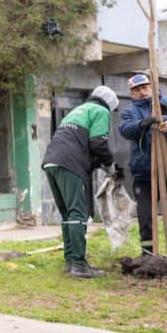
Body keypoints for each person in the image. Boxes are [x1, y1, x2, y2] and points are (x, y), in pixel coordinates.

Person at [40, 86, 119, 279]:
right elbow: (98, 142)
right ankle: (79, 265)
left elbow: (80, 141)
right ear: (110, 105)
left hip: (51, 161)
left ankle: (70, 261)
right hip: (70, 163)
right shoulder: (100, 111)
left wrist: (95, 163)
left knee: (67, 213)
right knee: (78, 212)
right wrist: (110, 165)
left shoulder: (78, 110)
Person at [117, 73, 167, 256]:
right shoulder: (129, 111)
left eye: (144, 87)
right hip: (144, 171)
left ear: (152, 87)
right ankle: (148, 252)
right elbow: (125, 130)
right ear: (131, 93)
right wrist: (143, 124)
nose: (142, 92)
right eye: (137, 90)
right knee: (146, 215)